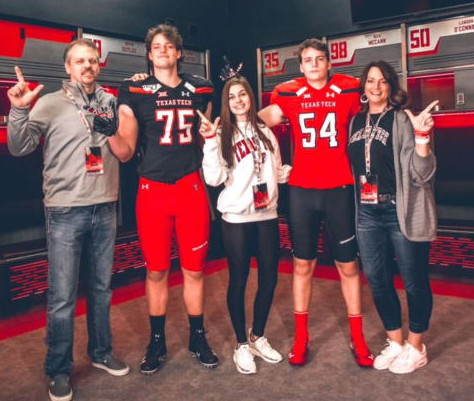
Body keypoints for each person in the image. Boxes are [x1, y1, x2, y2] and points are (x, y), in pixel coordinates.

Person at [7, 39, 129, 401]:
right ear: (68, 67)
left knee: (102, 289)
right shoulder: (49, 103)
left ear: (99, 66)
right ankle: (58, 370)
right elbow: (19, 146)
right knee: (62, 297)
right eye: (80, 61)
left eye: (92, 60)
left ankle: (101, 352)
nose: (87, 66)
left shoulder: (110, 102)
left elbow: (125, 146)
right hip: (64, 209)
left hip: (105, 205)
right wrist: (17, 110)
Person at [258, 38, 374, 367]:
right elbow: (255, 122)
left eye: (319, 59)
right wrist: (276, 164)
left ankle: (358, 337)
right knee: (302, 264)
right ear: (301, 65)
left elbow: (378, 101)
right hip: (302, 191)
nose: (313, 65)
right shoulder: (288, 93)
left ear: (328, 63)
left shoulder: (350, 89)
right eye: (307, 60)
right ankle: (301, 337)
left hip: (339, 189)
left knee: (348, 266)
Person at [113, 24, 218, 375]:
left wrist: (210, 138)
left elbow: (209, 138)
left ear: (178, 52)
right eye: (155, 46)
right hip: (152, 189)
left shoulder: (201, 88)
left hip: (189, 186)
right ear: (148, 53)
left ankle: (197, 336)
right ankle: (156, 340)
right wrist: (111, 130)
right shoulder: (134, 88)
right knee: (156, 270)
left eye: (167, 46)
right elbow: (127, 146)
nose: (161, 50)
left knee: (194, 270)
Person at [347, 60, 437, 374]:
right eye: (370, 81)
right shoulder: (355, 122)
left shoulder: (401, 120)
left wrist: (422, 137)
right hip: (367, 212)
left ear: (391, 86)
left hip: (399, 209)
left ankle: (416, 346)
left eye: (382, 81)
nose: (375, 87)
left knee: (413, 281)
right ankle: (395, 341)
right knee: (377, 280)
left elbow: (421, 174)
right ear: (363, 87)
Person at [199, 73, 291, 374]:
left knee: (269, 280)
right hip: (237, 218)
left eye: (243, 94)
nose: (238, 100)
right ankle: (241, 344)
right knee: (238, 281)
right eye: (232, 97)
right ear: (227, 103)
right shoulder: (223, 132)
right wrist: (210, 142)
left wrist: (284, 174)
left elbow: (275, 170)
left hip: (267, 215)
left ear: (250, 97)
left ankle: (257, 336)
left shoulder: (264, 129)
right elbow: (213, 178)